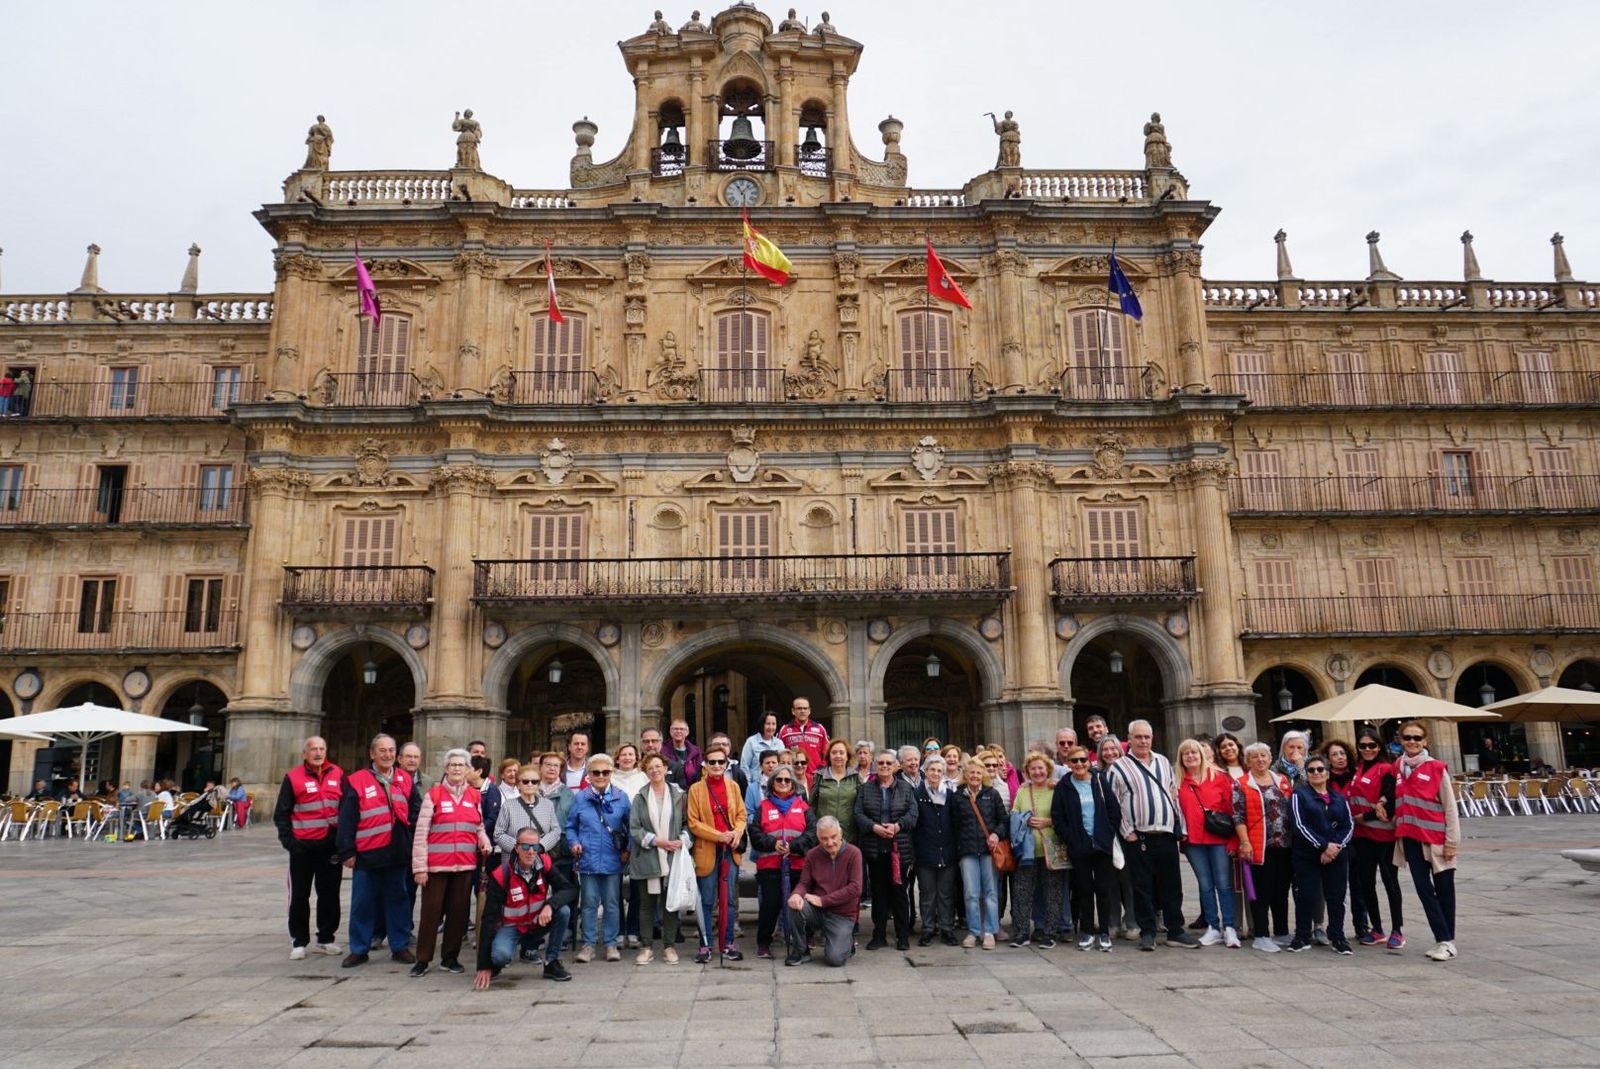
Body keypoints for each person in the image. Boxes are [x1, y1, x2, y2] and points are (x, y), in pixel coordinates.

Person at [1108, 720, 1200, 951]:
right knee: (1142, 886)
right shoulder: (1118, 767)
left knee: (1172, 885)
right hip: (1139, 837)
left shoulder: (1163, 762)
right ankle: (1147, 931)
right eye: (1138, 737)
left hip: (1166, 834)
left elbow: (1172, 794)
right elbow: (1112, 803)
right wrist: (1126, 831)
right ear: (1129, 739)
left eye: (1147, 737)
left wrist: (1179, 826)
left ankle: (1175, 930)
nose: (1143, 741)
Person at [336, 733, 421, 967]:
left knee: (399, 900)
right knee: (363, 903)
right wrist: (347, 851)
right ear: (372, 754)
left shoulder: (404, 779)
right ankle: (359, 948)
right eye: (382, 751)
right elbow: (347, 818)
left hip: (398, 853)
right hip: (367, 852)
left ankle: (400, 945)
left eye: (391, 750)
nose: (387, 755)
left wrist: (411, 842)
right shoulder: (356, 780)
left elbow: (416, 813)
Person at [410, 749, 491, 977]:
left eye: (461, 765)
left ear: (468, 770)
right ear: (445, 769)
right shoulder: (433, 795)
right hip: (436, 867)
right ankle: (423, 959)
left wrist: (484, 842)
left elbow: (478, 827)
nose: (457, 769)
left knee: (458, 914)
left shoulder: (475, 797)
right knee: (430, 914)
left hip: (464, 866)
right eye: (452, 765)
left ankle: (450, 957)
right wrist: (419, 868)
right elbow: (421, 833)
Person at [1392, 720, 1461, 961]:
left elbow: (1450, 807)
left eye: (1417, 738)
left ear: (1425, 741)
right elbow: (1395, 796)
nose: (1412, 742)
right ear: (1400, 740)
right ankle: (1443, 939)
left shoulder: (1436, 768)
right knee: (1424, 890)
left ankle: (1446, 941)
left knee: (1444, 890)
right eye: (1408, 737)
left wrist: (1452, 841)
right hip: (1410, 838)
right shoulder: (1398, 767)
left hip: (1436, 839)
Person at [475, 827, 576, 989]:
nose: (531, 852)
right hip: (512, 927)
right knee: (500, 956)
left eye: (535, 847)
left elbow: (569, 889)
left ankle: (551, 962)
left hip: (537, 923)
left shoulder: (545, 864)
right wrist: (483, 965)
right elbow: (488, 918)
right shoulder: (502, 875)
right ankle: (496, 964)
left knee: (563, 911)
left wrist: (550, 905)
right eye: (526, 847)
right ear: (516, 847)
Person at [273, 736, 344, 960]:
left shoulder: (338, 774)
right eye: (313, 749)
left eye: (322, 748)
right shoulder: (293, 778)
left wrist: (342, 840)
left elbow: (347, 808)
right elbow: (281, 813)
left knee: (330, 894)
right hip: (302, 846)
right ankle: (299, 941)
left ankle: (326, 938)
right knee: (299, 895)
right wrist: (290, 843)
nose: (318, 753)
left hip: (330, 845)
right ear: (305, 753)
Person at [1053, 746, 1120, 952]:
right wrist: (1072, 839)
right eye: (1074, 761)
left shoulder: (1100, 780)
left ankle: (1105, 933)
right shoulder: (1064, 786)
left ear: (1088, 761)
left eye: (1083, 760)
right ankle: (1088, 930)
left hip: (1101, 844)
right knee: (1083, 889)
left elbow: (1113, 810)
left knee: (1103, 889)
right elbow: (1058, 817)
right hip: (1079, 846)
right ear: (1068, 764)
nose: (1079, 764)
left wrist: (1107, 834)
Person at [565, 753, 630, 963]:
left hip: (612, 859)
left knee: (612, 903)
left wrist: (627, 849)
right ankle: (588, 944)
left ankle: (611, 944)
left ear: (611, 773)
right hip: (588, 859)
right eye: (596, 772)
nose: (601, 776)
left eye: (605, 772)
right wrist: (573, 843)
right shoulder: (581, 798)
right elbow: (571, 826)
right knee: (589, 903)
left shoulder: (621, 797)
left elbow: (631, 827)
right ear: (589, 775)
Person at [1175, 738, 1240, 948]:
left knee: (1223, 883)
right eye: (1186, 754)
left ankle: (1230, 927)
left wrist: (1234, 840)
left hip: (1218, 839)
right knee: (1205, 885)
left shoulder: (1219, 777)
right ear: (1181, 758)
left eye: (1194, 752)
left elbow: (1232, 811)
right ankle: (1213, 926)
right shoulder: (1177, 781)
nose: (1191, 756)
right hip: (1193, 841)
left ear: (1201, 755)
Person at [1287, 756, 1354, 955]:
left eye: (1320, 769)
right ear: (1306, 774)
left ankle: (1338, 937)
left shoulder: (1339, 798)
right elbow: (1299, 825)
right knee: (1306, 895)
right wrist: (1323, 846)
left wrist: (1335, 847)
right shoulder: (1299, 795)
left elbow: (1348, 825)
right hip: (1307, 854)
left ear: (1327, 772)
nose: (1316, 773)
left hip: (1336, 856)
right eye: (1311, 770)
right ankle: (1302, 936)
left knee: (1336, 897)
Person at [687, 743, 746, 962]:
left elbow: (741, 814)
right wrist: (718, 835)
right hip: (707, 850)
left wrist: (736, 833)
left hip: (730, 850)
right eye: (712, 762)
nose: (717, 765)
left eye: (721, 762)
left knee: (729, 899)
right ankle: (705, 945)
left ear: (727, 763)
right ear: (705, 764)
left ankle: (728, 942)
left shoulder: (733, 786)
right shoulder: (696, 790)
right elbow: (693, 823)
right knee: (706, 900)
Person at [1232, 742, 1294, 952]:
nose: (1260, 760)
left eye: (1264, 756)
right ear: (1248, 761)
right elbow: (1238, 816)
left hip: (1284, 844)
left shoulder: (1282, 780)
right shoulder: (1241, 784)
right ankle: (1261, 934)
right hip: (1260, 846)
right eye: (1254, 757)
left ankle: (1282, 931)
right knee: (1262, 891)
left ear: (1270, 759)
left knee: (1281, 890)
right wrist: (1245, 842)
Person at [855, 750, 918, 951]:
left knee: (900, 893)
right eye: (880, 763)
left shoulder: (906, 789)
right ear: (875, 765)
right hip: (875, 849)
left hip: (899, 849)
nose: (884, 766)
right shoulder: (866, 789)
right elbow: (858, 814)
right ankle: (879, 934)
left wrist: (897, 826)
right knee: (879, 893)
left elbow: (913, 814)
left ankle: (902, 935)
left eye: (888, 763)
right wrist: (873, 827)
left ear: (895, 766)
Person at [751, 764, 816, 959]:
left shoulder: (803, 806)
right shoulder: (763, 807)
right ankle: (763, 943)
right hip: (770, 866)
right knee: (770, 905)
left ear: (793, 784)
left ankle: (804, 939)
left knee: (799, 904)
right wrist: (773, 843)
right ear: (772, 783)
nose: (783, 783)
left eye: (787, 780)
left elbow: (812, 833)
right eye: (779, 780)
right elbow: (754, 834)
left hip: (798, 866)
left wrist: (794, 846)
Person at [1348, 728, 1404, 949]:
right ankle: (1377, 928)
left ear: (1379, 746)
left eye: (1372, 745)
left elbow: (1392, 799)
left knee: (1391, 882)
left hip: (1383, 834)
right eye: (1363, 746)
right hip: (1362, 836)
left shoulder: (1387, 769)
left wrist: (1366, 816)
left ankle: (1397, 930)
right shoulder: (1358, 769)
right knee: (1366, 883)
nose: (1368, 750)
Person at [628, 752, 686, 964]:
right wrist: (657, 841)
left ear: (665, 768)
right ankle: (646, 947)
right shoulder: (640, 797)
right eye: (650, 768)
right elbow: (634, 829)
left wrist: (682, 840)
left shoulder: (679, 795)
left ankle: (669, 946)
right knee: (647, 903)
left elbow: (688, 823)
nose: (655, 770)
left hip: (673, 856)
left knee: (670, 904)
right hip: (649, 856)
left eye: (658, 766)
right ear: (646, 771)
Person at [785, 815, 863, 967]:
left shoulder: (854, 853)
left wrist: (823, 900)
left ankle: (846, 941)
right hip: (817, 910)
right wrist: (795, 894)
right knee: (794, 905)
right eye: (824, 839)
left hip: (842, 914)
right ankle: (801, 950)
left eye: (833, 837)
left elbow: (855, 888)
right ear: (818, 837)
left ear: (841, 833)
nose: (830, 843)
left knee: (835, 960)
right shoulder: (812, 855)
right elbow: (804, 883)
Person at [1009, 751, 1066, 949]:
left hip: (1052, 848)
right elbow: (1014, 815)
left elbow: (1066, 816)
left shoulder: (1056, 789)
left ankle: (1050, 933)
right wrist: (1025, 819)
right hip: (1027, 851)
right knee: (1022, 892)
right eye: (1033, 768)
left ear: (1048, 770)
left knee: (1053, 893)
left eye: (1041, 768)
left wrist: (1048, 821)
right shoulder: (1023, 791)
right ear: (1027, 771)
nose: (1037, 772)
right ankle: (1021, 932)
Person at [953, 756, 1006, 948]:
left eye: (978, 772)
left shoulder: (991, 794)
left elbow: (1003, 820)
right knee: (971, 893)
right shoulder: (958, 796)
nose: (975, 775)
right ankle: (974, 931)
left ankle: (990, 931)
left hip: (987, 850)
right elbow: (953, 824)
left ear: (983, 774)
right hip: (966, 851)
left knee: (991, 892)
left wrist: (996, 834)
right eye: (971, 772)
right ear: (965, 775)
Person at [911, 755, 959, 946]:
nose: (935, 774)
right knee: (927, 894)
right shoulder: (917, 794)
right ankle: (928, 929)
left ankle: (947, 929)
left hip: (947, 851)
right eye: (932, 770)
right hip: (925, 852)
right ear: (926, 771)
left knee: (946, 893)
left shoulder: (950, 794)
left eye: (939, 771)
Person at [812, 739, 861, 846]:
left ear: (847, 756)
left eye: (841, 753)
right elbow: (811, 806)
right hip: (825, 835)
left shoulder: (856, 777)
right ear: (829, 756)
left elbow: (861, 807)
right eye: (834, 753)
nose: (838, 756)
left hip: (849, 835)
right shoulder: (819, 777)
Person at [778, 696, 829, 770]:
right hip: (793, 776)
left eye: (805, 708)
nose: (802, 711)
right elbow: (780, 755)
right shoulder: (784, 730)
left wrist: (821, 769)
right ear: (793, 711)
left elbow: (827, 753)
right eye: (799, 708)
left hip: (815, 776)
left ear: (809, 711)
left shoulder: (820, 729)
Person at [741, 712, 786, 781]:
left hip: (776, 786)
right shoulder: (751, 742)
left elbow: (783, 765)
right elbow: (744, 766)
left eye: (773, 724)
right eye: (768, 724)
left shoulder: (779, 743)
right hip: (756, 785)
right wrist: (749, 785)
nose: (771, 727)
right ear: (762, 725)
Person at [665, 719, 702, 786]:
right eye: (675, 729)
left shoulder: (696, 752)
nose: (678, 731)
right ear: (670, 731)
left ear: (687, 732)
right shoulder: (663, 751)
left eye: (682, 729)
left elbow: (700, 772)